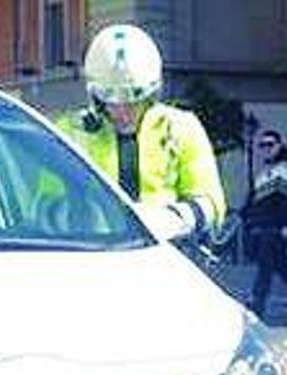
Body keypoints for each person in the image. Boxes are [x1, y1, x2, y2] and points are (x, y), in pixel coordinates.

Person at [54, 24, 226, 238]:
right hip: (91, 252)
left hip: (165, 251)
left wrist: (174, 219)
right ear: (96, 97)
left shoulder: (180, 128)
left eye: (133, 103)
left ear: (151, 95)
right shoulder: (69, 133)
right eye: (112, 103)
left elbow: (211, 202)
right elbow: (43, 204)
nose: (122, 111)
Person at [244, 131, 287, 319]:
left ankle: (258, 303)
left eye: (270, 144)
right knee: (280, 266)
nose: (266, 148)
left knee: (266, 266)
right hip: (265, 224)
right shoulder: (266, 171)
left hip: (275, 226)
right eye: (263, 145)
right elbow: (257, 200)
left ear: (280, 145)